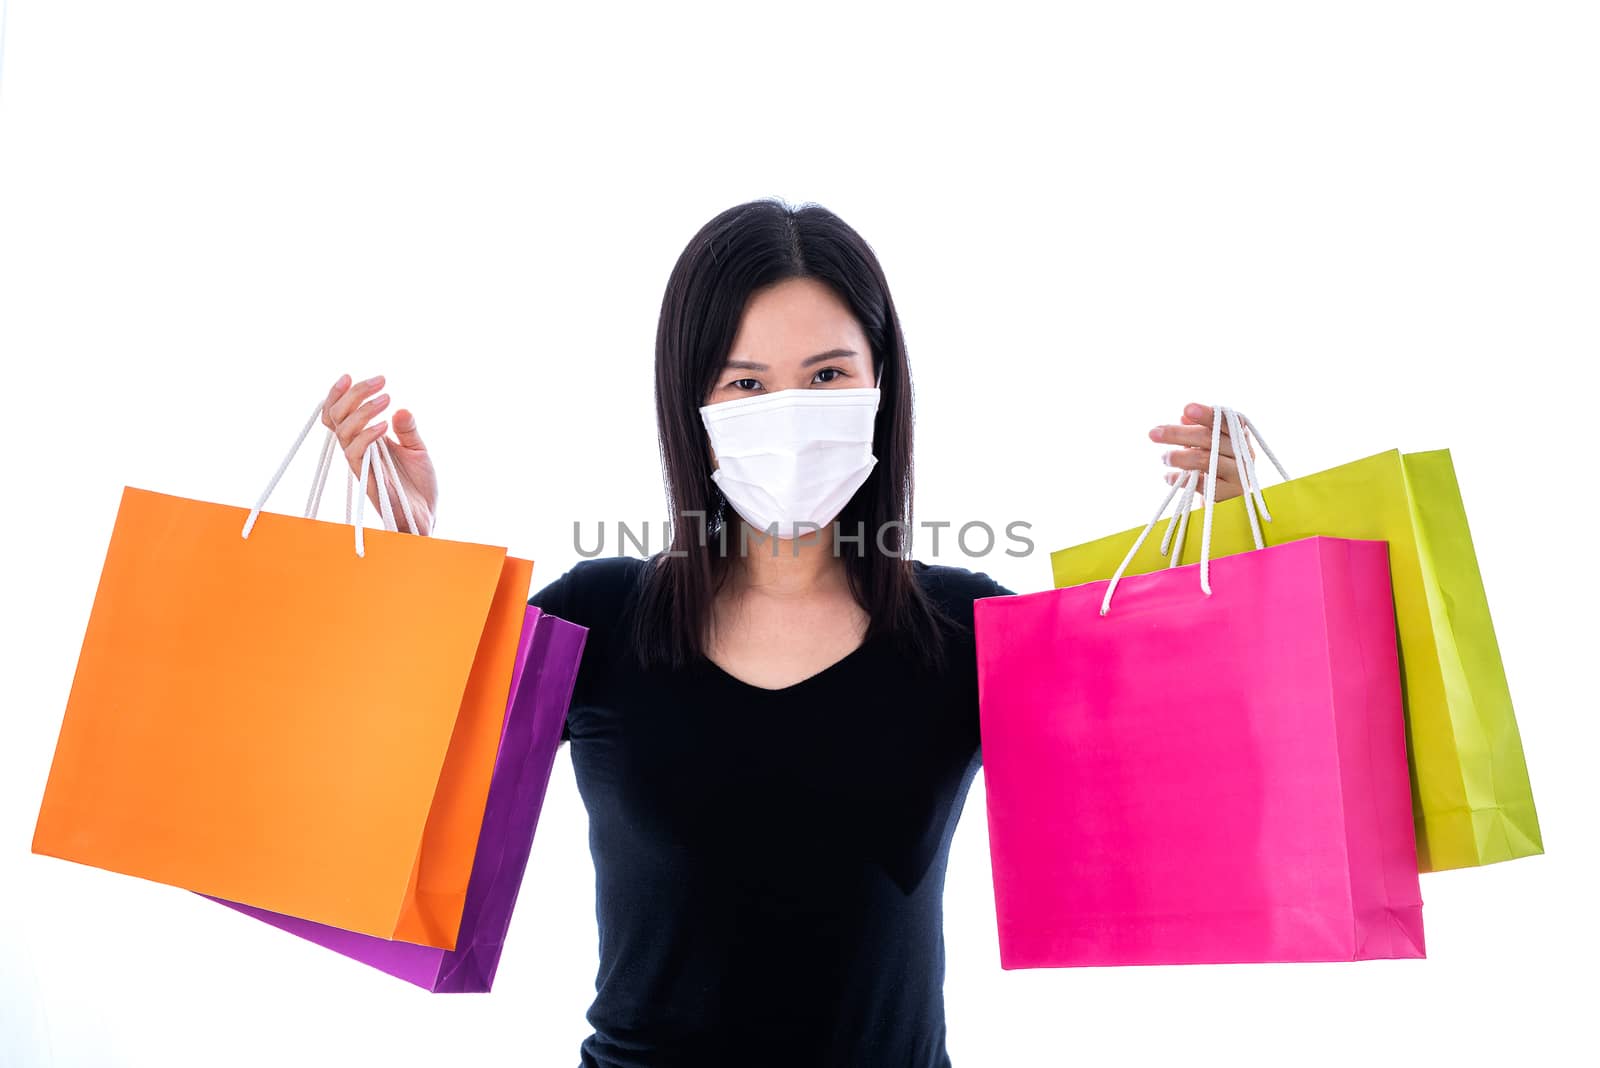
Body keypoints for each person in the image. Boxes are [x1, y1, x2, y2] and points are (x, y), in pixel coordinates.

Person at [317, 198, 1254, 1067]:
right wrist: (418, 561)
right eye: (747, 383)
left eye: (827, 375)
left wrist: (1237, 546)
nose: (791, 413)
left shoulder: (965, 628)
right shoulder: (598, 619)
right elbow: (410, 772)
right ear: (695, 405)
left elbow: (1175, 771)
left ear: (880, 384)